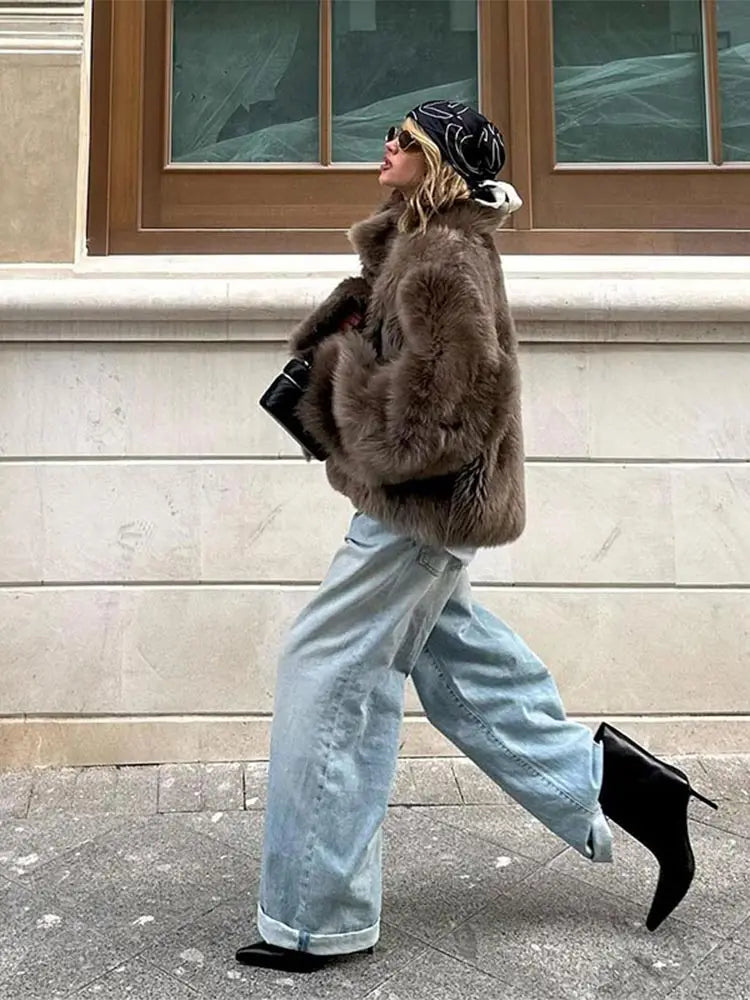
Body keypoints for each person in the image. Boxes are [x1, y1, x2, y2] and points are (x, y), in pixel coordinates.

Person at [235, 100, 717, 975]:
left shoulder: (442, 256)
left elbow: (448, 413)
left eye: (406, 140)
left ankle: (315, 918)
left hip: (420, 508)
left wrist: (338, 381)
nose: (387, 146)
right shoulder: (417, 245)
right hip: (424, 510)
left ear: (441, 162)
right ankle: (626, 787)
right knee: (465, 671)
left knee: (327, 671)